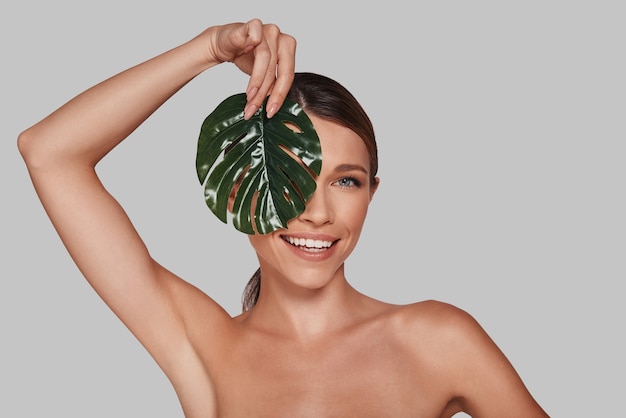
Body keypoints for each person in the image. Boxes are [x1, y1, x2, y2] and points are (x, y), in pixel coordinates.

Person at [18, 19, 549, 418]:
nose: (317, 213)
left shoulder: (437, 339)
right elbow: (48, 151)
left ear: (372, 194)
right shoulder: (205, 345)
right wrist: (206, 50)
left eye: (346, 181)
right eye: (291, 178)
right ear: (237, 190)